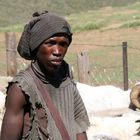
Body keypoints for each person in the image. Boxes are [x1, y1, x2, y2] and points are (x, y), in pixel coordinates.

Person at [0, 11, 90, 140]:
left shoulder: (67, 75)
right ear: (36, 46)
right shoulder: (21, 88)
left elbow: (78, 123)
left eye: (63, 44)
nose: (58, 51)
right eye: (51, 43)